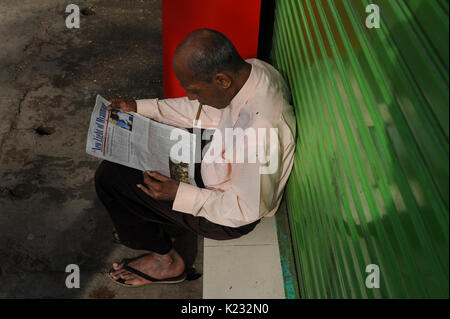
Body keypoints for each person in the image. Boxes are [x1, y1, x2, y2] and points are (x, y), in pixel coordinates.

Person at [95, 28, 296, 287]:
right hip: (212, 158)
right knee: (132, 152)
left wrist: (178, 194)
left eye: (195, 90)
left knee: (111, 180)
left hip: (225, 214)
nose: (191, 97)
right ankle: (149, 222)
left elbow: (245, 210)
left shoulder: (260, 132)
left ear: (222, 80)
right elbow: (204, 112)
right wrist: (142, 108)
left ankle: (167, 262)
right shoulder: (252, 72)